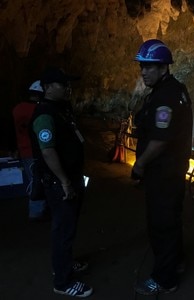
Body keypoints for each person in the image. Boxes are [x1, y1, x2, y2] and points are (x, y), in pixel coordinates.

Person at [131, 39, 193, 296]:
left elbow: (159, 140)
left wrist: (140, 165)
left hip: (163, 173)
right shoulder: (174, 90)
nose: (144, 72)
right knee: (172, 220)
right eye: (142, 67)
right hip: (173, 172)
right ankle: (175, 263)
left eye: (149, 67)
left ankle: (163, 279)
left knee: (161, 225)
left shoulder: (165, 98)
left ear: (164, 67)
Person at [29, 67, 93, 298]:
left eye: (68, 83)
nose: (67, 88)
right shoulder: (44, 114)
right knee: (63, 229)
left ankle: (65, 263)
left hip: (71, 178)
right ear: (47, 88)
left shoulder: (61, 108)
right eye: (62, 84)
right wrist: (65, 181)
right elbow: (47, 151)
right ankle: (63, 281)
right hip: (59, 183)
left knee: (69, 226)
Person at [12, 80, 48, 221]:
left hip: (24, 150)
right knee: (38, 181)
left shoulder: (17, 109)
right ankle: (36, 212)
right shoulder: (40, 110)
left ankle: (37, 209)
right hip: (38, 151)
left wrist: (13, 148)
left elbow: (12, 130)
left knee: (33, 180)